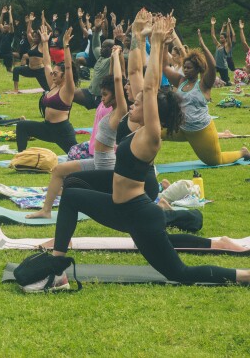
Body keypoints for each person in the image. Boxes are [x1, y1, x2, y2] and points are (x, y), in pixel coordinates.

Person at [25, 16, 250, 292]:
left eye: (141, 101)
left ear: (155, 112)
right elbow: (140, 79)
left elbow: (151, 86)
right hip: (124, 206)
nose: (135, 101)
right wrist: (141, 39)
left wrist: (156, 43)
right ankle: (57, 269)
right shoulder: (136, 126)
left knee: (180, 273)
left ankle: (244, 275)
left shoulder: (150, 136)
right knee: (71, 190)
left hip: (137, 215)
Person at [27, 47, 127, 219]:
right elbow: (111, 79)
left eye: (105, 95)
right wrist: (112, 57)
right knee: (59, 170)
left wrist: (117, 56)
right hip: (96, 159)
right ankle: (46, 211)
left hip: (105, 165)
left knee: (74, 185)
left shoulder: (119, 111)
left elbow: (118, 80)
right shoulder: (106, 106)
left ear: (116, 96)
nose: (101, 98)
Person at [162, 29, 250, 164]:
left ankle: (242, 152)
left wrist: (203, 46)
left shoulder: (204, 85)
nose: (185, 69)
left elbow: (213, 65)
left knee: (215, 161)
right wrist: (163, 44)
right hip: (181, 128)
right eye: (184, 67)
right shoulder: (180, 81)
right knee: (154, 133)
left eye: (189, 67)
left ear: (198, 69)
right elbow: (164, 67)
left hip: (201, 131)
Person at [14, 26, 78, 154]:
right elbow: (47, 64)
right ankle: (21, 157)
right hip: (47, 128)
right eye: (52, 73)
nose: (52, 75)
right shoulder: (53, 86)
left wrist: (66, 46)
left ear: (64, 75)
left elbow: (69, 67)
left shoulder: (68, 89)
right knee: (22, 126)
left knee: (78, 157)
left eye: (55, 73)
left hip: (62, 131)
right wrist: (44, 42)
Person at [73, 12, 114, 110]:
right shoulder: (100, 56)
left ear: (112, 49)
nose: (102, 49)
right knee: (69, 94)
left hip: (103, 98)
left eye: (105, 47)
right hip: (90, 94)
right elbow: (95, 45)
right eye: (102, 46)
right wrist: (97, 29)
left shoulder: (113, 60)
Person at [10, 12, 50, 93]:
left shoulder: (42, 45)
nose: (34, 38)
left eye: (36, 36)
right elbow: (28, 32)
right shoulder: (32, 44)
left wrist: (43, 20)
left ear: (40, 37)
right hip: (30, 69)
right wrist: (30, 22)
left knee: (48, 89)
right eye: (33, 36)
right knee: (16, 70)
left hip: (40, 71)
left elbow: (43, 31)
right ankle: (15, 89)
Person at [210, 17, 232, 86]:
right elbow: (213, 35)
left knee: (227, 83)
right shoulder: (218, 45)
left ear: (225, 39)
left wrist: (228, 25)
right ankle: (218, 80)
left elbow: (228, 36)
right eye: (220, 38)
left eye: (222, 38)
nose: (220, 39)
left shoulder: (227, 46)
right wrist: (212, 24)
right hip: (216, 66)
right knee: (210, 77)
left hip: (223, 67)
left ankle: (223, 80)